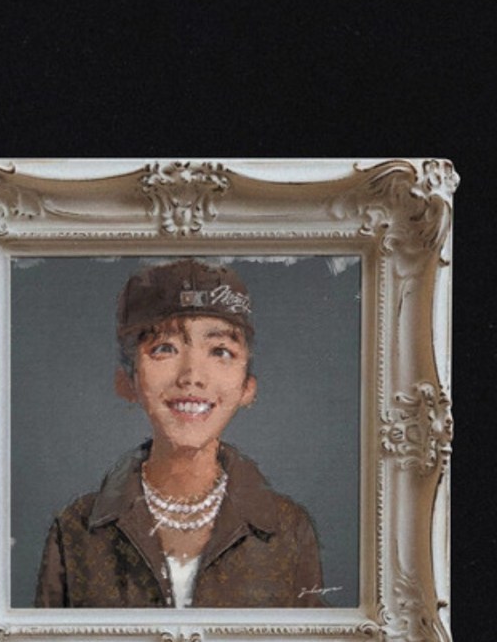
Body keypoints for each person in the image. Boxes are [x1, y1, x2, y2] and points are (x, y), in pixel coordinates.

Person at [35, 258, 324, 608]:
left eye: (220, 351)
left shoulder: (289, 528)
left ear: (248, 386)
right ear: (127, 381)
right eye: (164, 348)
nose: (192, 376)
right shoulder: (74, 530)